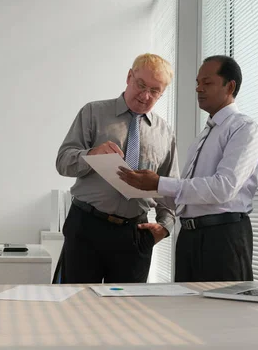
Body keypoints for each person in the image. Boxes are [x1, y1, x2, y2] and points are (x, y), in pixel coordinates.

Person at [118, 55, 258, 282]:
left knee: (224, 312)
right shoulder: (203, 136)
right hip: (189, 237)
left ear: (230, 86)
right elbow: (185, 194)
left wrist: (158, 183)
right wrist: (148, 195)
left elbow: (223, 188)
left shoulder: (244, 128)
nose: (198, 89)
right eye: (197, 83)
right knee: (185, 309)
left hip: (223, 237)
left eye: (207, 83)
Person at [55, 53, 179, 283]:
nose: (145, 96)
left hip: (135, 234)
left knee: (126, 312)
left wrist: (165, 226)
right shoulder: (93, 113)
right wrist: (90, 155)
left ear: (162, 93)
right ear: (129, 76)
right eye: (141, 85)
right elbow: (63, 161)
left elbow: (170, 186)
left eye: (154, 91)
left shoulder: (165, 133)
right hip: (86, 226)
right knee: (77, 306)